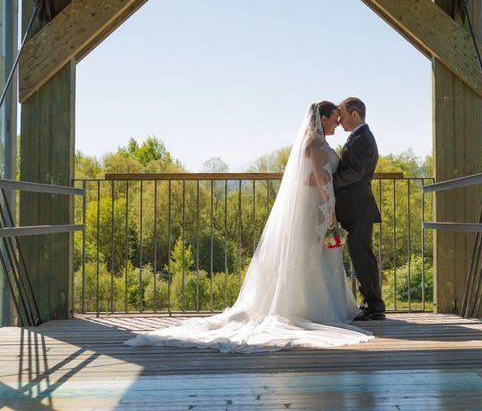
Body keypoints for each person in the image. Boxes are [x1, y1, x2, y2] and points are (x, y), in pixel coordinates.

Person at [124, 102, 371, 353]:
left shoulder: (315, 143)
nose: (338, 124)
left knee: (314, 255)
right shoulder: (316, 145)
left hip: (316, 206)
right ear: (323, 119)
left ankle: (315, 306)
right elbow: (322, 180)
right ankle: (311, 308)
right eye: (334, 119)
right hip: (316, 209)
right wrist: (329, 212)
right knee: (312, 255)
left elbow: (318, 177)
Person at [334, 97, 385, 321]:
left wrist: (327, 181)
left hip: (358, 209)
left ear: (355, 115)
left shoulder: (362, 138)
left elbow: (354, 172)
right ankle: (371, 304)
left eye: (343, 117)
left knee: (362, 257)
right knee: (360, 257)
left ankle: (375, 307)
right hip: (355, 208)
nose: (340, 123)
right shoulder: (359, 137)